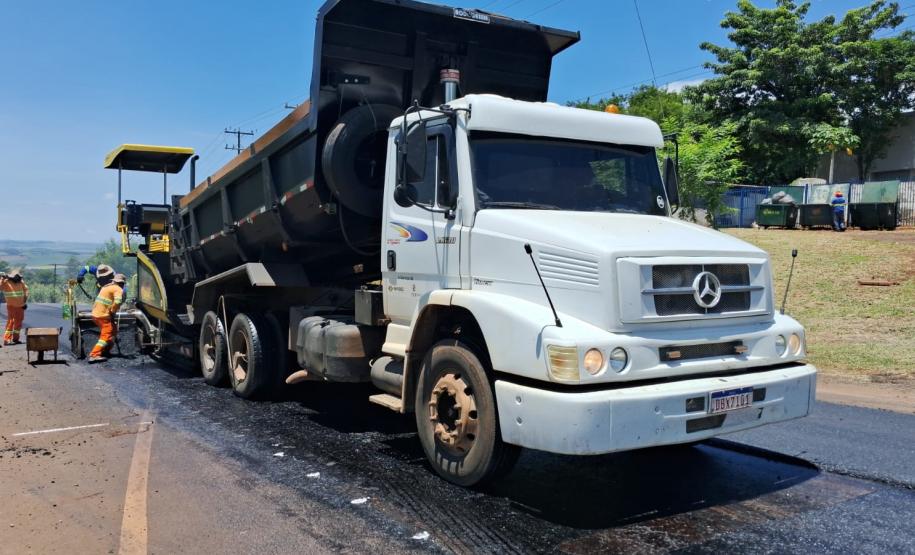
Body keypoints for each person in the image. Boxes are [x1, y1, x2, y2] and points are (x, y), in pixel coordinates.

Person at [88, 272, 126, 363]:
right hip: (103, 316)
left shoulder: (106, 287)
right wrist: (113, 311)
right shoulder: (118, 289)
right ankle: (94, 354)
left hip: (96, 314)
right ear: (122, 283)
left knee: (113, 330)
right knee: (106, 334)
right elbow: (117, 301)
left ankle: (105, 351)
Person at [0, 270, 29, 346]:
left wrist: (24, 301)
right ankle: (7, 339)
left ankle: (16, 339)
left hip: (20, 306)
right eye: (16, 277)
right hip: (11, 306)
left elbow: (26, 290)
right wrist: (2, 279)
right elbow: (0, 287)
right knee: (11, 322)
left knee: (18, 323)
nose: (17, 279)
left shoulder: (21, 282)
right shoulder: (6, 282)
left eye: (18, 277)